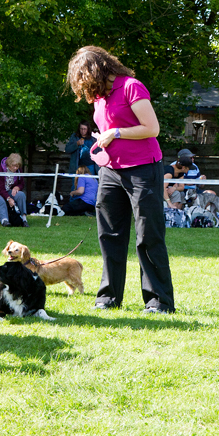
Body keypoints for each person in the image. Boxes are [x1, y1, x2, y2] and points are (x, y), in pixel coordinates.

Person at [67, 45, 174, 313]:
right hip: (111, 171)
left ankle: (158, 301)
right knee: (110, 234)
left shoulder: (131, 87)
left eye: (82, 79)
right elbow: (107, 132)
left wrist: (115, 133)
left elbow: (152, 128)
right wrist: (102, 145)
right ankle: (108, 297)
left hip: (143, 170)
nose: (81, 87)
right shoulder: (99, 97)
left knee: (148, 235)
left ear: (95, 71)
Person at [165, 149, 219, 218]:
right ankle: (178, 217)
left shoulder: (195, 167)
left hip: (194, 190)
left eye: (193, 157)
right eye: (190, 158)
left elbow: (200, 185)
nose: (193, 159)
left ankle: (200, 215)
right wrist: (187, 183)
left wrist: (202, 181)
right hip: (182, 190)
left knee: (211, 194)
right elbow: (173, 183)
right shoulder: (176, 167)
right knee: (181, 194)